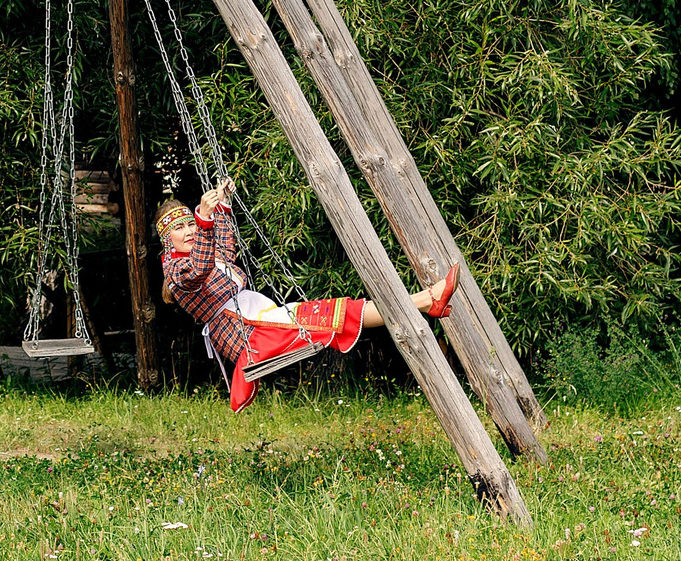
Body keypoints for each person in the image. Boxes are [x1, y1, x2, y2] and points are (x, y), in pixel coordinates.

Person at [158, 175, 457, 411]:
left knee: (337, 312)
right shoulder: (176, 272)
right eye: (180, 228)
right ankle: (426, 301)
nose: (189, 231)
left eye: (190, 224)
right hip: (252, 336)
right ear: (166, 239)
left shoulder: (205, 251)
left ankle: (426, 301)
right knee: (336, 313)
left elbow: (222, 249)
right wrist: (203, 219)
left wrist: (221, 206)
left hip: (262, 324)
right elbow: (200, 267)